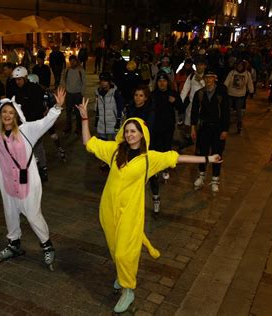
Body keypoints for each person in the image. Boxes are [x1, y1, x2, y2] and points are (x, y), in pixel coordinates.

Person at [75, 99, 221, 314]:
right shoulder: (115, 151)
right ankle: (122, 275)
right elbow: (88, 143)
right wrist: (85, 118)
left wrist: (208, 157)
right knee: (115, 249)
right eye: (127, 131)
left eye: (134, 131)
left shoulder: (149, 159)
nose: (130, 135)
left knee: (126, 253)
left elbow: (177, 158)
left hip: (131, 214)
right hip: (108, 210)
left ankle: (128, 289)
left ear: (142, 134)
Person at [0, 87, 67, 270]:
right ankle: (14, 244)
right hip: (8, 183)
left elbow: (45, 122)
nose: (7, 115)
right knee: (10, 213)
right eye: (4, 112)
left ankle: (47, 245)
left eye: (11, 112)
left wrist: (57, 107)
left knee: (33, 215)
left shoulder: (27, 130)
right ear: (0, 115)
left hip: (28, 183)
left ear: (16, 115)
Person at [148, 72, 185, 217]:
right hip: (155, 128)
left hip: (168, 128)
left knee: (166, 148)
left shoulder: (173, 93)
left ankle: (165, 169)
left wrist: (174, 101)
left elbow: (181, 108)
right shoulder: (153, 95)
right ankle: (157, 170)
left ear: (167, 82)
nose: (162, 83)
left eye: (164, 81)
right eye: (159, 81)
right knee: (155, 150)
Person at [191, 69, 230, 193]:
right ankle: (201, 176)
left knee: (217, 154)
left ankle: (215, 179)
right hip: (204, 128)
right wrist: (193, 127)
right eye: (206, 77)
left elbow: (226, 112)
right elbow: (194, 112)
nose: (208, 79)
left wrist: (225, 129)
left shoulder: (221, 92)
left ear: (215, 78)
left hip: (218, 128)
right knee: (202, 153)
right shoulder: (200, 93)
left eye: (210, 77)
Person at [8, 66, 49, 182]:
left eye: (19, 79)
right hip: (21, 125)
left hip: (34, 124)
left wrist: (28, 123)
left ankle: (43, 169)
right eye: (16, 80)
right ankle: (25, 171)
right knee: (22, 149)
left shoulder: (35, 89)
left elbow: (38, 109)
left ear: (25, 77)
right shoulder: (16, 89)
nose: (17, 82)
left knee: (38, 147)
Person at [180, 57, 207, 145]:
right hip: (192, 104)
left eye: (201, 65)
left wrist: (201, 81)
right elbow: (185, 89)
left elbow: (209, 89)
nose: (199, 67)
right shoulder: (191, 76)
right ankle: (188, 137)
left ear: (205, 66)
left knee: (201, 123)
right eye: (198, 65)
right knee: (188, 121)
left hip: (204, 105)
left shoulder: (208, 76)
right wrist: (180, 102)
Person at [224, 60, 254, 134]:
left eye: (241, 65)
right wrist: (224, 88)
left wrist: (251, 91)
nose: (239, 67)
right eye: (238, 65)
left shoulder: (247, 74)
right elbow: (227, 81)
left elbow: (250, 83)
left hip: (240, 95)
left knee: (238, 110)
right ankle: (226, 123)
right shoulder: (232, 73)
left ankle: (239, 125)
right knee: (227, 109)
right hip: (230, 94)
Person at [95, 72, 124, 140]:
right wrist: (96, 120)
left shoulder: (115, 93)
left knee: (113, 147)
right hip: (101, 126)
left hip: (113, 126)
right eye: (101, 81)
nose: (103, 83)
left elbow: (120, 108)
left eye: (105, 81)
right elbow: (98, 108)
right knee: (103, 148)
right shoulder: (98, 93)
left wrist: (118, 122)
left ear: (109, 81)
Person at [62, 55, 87, 135]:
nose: (72, 63)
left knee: (77, 113)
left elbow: (84, 82)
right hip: (69, 94)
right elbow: (62, 80)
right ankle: (68, 127)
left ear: (76, 61)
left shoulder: (81, 70)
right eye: (71, 61)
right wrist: (65, 89)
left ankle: (78, 128)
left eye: (74, 61)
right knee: (68, 111)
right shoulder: (67, 70)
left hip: (77, 95)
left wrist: (81, 93)